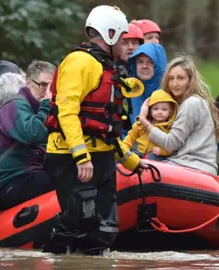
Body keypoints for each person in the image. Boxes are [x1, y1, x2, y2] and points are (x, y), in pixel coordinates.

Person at [42, 5, 147, 255]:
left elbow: (105, 129)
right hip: (71, 157)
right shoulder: (80, 62)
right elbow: (67, 112)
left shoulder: (106, 67)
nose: (127, 47)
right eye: (123, 40)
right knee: (79, 221)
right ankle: (54, 257)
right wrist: (80, 156)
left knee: (105, 230)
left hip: (100, 156)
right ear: (110, 35)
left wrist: (129, 159)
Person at [138, 54, 219, 175]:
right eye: (171, 78)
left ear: (190, 81)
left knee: (143, 167)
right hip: (186, 164)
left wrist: (144, 121)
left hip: (193, 167)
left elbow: (170, 144)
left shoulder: (192, 103)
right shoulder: (184, 103)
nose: (174, 84)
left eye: (180, 78)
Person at [0, 71, 55, 211]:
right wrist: (46, 104)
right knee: (64, 182)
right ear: (28, 83)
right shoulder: (14, 105)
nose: (47, 91)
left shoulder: (30, 108)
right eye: (43, 85)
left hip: (25, 176)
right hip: (11, 183)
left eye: (51, 87)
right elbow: (34, 133)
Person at [123, 89, 177, 160]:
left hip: (154, 155)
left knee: (154, 159)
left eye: (164, 110)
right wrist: (124, 148)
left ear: (170, 112)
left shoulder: (169, 128)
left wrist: (162, 151)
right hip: (138, 151)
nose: (159, 112)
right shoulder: (141, 125)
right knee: (127, 158)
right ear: (150, 110)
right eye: (155, 109)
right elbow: (131, 137)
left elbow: (171, 147)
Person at [128, 43, 167, 126]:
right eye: (140, 62)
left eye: (151, 62)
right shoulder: (127, 91)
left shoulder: (168, 93)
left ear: (158, 66)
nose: (145, 66)